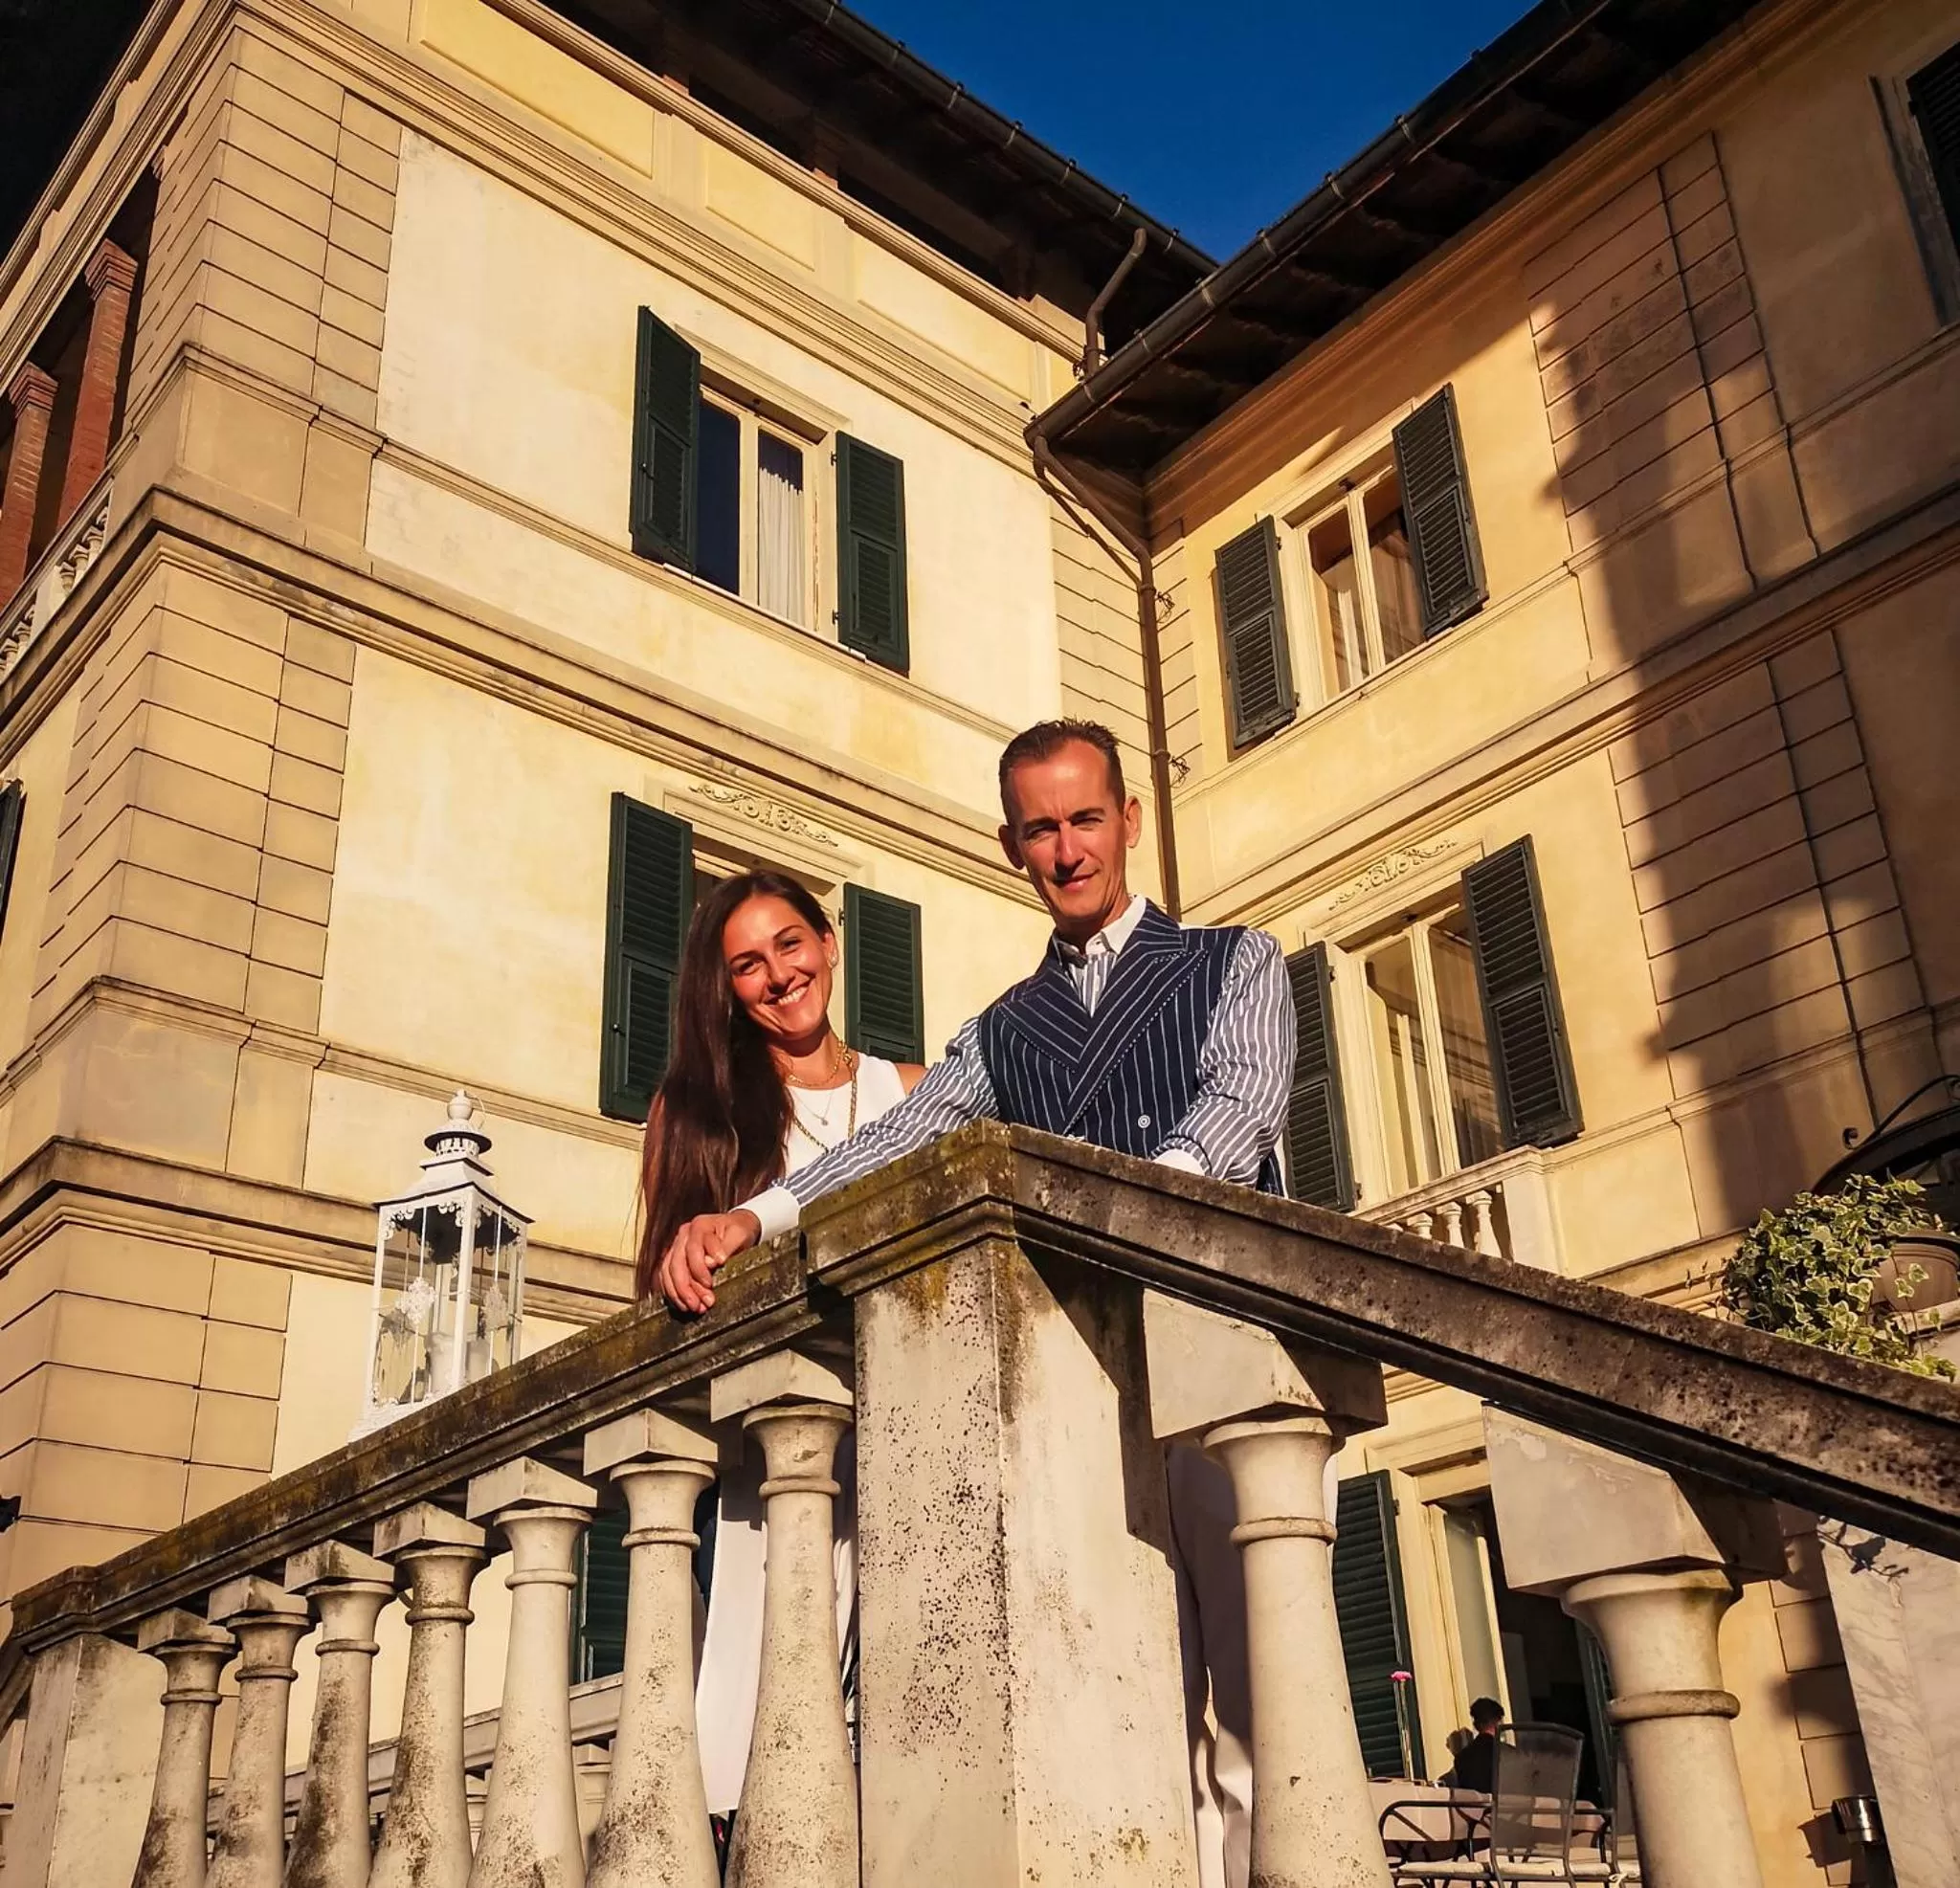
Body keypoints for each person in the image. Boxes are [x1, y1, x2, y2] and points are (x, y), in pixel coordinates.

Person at [656, 719, 1296, 1888]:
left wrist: (1117, 1229)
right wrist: (755, 1215)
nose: (1066, 847)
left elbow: (1237, 1116)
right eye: (1040, 828)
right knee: (1127, 1710)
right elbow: (898, 1139)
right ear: (1011, 846)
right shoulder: (998, 1030)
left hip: (1218, 1361)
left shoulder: (1236, 960)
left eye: (1083, 818)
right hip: (1077, 1398)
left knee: (1260, 1721)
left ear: (1127, 819)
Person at [634, 870, 923, 1854]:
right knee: (763, 1726)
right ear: (726, 987)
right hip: (770, 1462)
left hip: (906, 1444)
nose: (776, 974)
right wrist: (684, 1252)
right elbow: (669, 1285)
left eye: (790, 944)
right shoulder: (699, 1110)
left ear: (829, 944)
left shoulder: (912, 1092)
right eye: (746, 963)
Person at [1439, 1698, 1506, 1793]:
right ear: (1498, 1722)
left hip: (1474, 1807)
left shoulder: (1461, 1758)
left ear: (1475, 1724)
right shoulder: (1508, 1753)